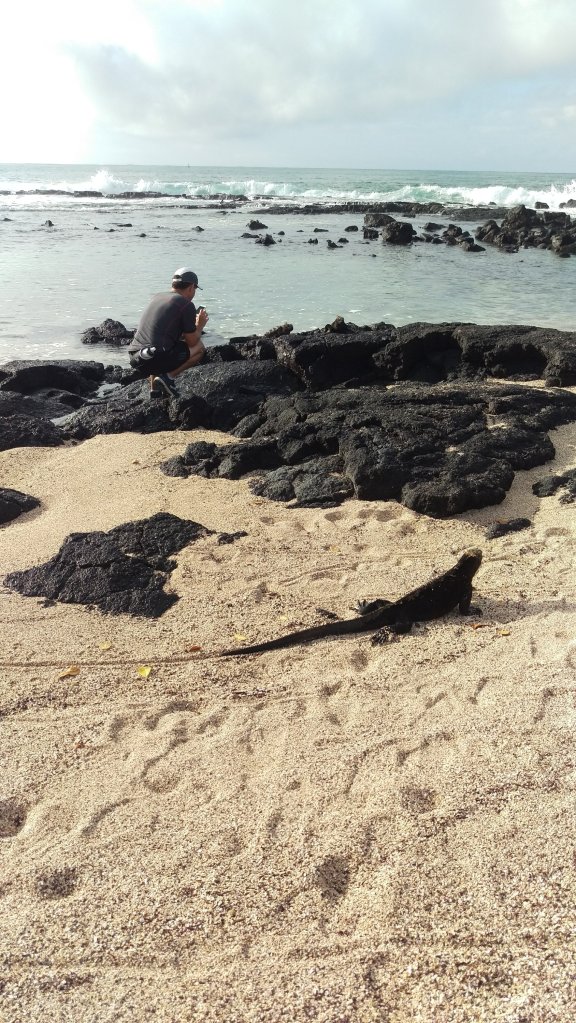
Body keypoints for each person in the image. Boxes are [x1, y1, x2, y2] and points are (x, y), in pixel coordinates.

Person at [128, 267, 209, 398]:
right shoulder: (186, 304)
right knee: (199, 348)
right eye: (195, 289)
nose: (194, 292)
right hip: (155, 358)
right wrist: (199, 326)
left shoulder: (157, 297)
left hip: (135, 357)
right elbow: (192, 342)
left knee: (156, 346)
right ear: (191, 287)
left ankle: (155, 391)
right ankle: (168, 377)